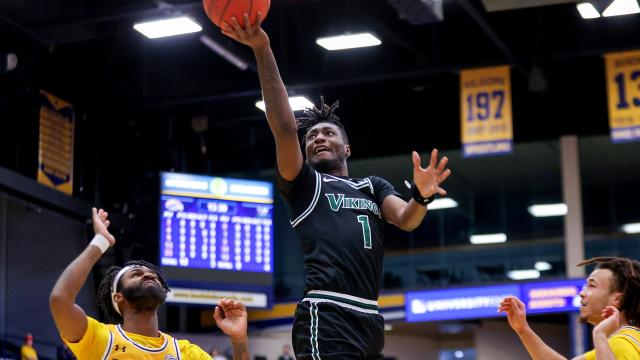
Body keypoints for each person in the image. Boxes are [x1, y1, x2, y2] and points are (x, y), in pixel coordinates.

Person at [221, 13, 451, 359]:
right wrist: (262, 48)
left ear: (347, 149)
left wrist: (421, 196)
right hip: (327, 312)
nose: (318, 138)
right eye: (312, 135)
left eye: (328, 133)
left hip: (371, 317)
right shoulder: (304, 184)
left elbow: (406, 219)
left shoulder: (372, 186)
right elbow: (284, 128)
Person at [49, 208, 250, 360]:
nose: (149, 275)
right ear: (118, 297)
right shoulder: (100, 339)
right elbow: (60, 300)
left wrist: (239, 340)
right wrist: (100, 242)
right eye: (137, 274)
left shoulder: (184, 352)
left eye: (153, 275)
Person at [499, 256, 640, 360]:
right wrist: (523, 329)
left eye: (592, 285)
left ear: (617, 299)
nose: (582, 292)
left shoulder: (620, 345)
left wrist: (599, 335)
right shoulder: (620, 342)